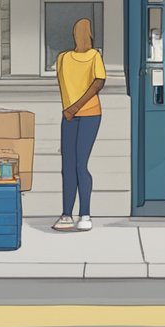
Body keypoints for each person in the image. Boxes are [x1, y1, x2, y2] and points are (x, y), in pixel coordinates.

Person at [53, 18, 107, 233]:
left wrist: (74, 107)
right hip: (68, 116)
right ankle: (66, 213)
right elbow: (64, 87)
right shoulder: (63, 58)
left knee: (79, 165)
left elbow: (98, 83)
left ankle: (85, 213)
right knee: (68, 167)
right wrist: (69, 110)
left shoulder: (95, 56)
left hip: (89, 114)